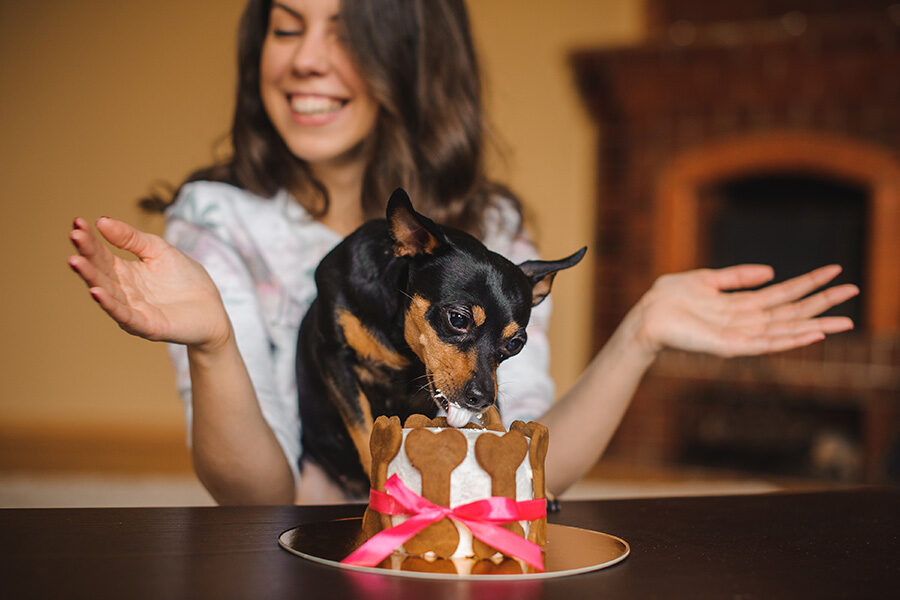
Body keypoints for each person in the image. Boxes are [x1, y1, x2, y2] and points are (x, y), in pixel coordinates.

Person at [68, 0, 858, 505]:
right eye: (285, 26)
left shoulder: (493, 229)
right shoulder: (217, 223)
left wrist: (639, 334)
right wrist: (212, 345)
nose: (306, 58)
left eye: (348, 30)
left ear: (409, 54)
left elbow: (523, 465)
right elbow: (260, 498)